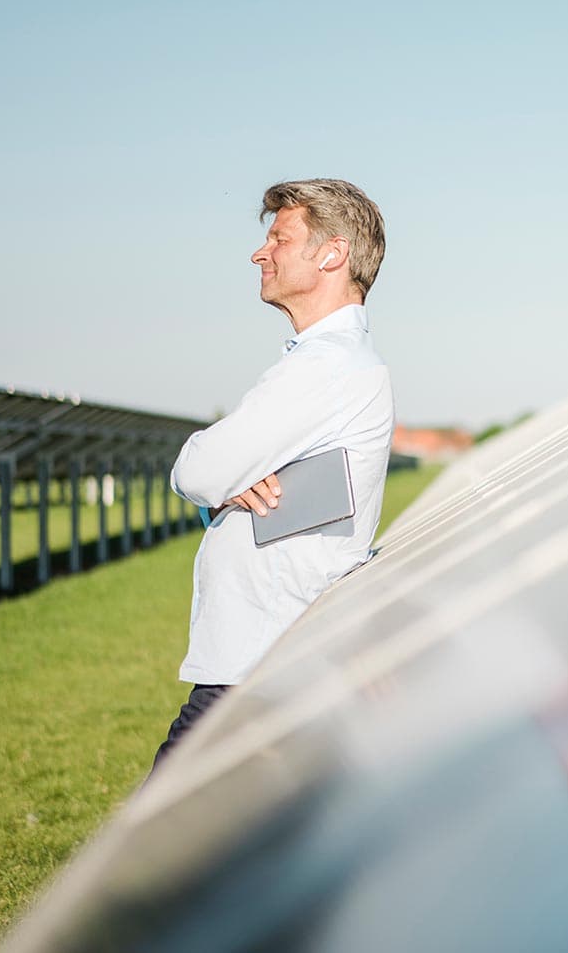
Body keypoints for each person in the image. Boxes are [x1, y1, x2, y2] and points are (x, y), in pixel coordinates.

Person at [150, 178, 394, 771]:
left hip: (262, 672)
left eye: (280, 239)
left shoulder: (325, 368)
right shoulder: (327, 366)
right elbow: (218, 484)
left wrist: (214, 482)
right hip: (269, 665)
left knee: (162, 848)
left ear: (332, 254)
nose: (261, 254)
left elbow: (201, 469)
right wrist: (223, 489)